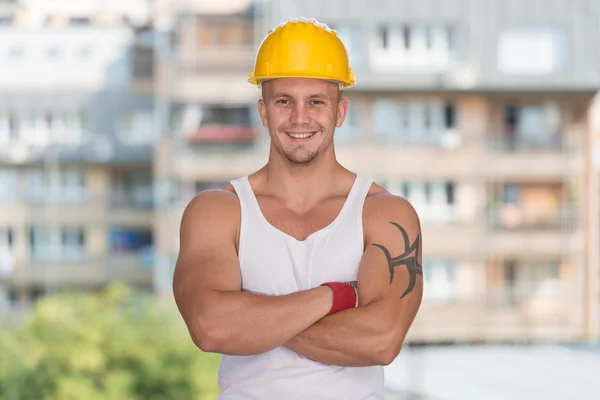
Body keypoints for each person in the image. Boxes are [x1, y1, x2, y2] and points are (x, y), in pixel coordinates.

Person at [173, 17, 424, 400]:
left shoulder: (384, 214)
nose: (300, 118)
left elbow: (381, 341)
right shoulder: (217, 211)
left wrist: (252, 320)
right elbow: (211, 329)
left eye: (317, 102)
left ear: (340, 112)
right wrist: (336, 297)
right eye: (284, 101)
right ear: (263, 112)